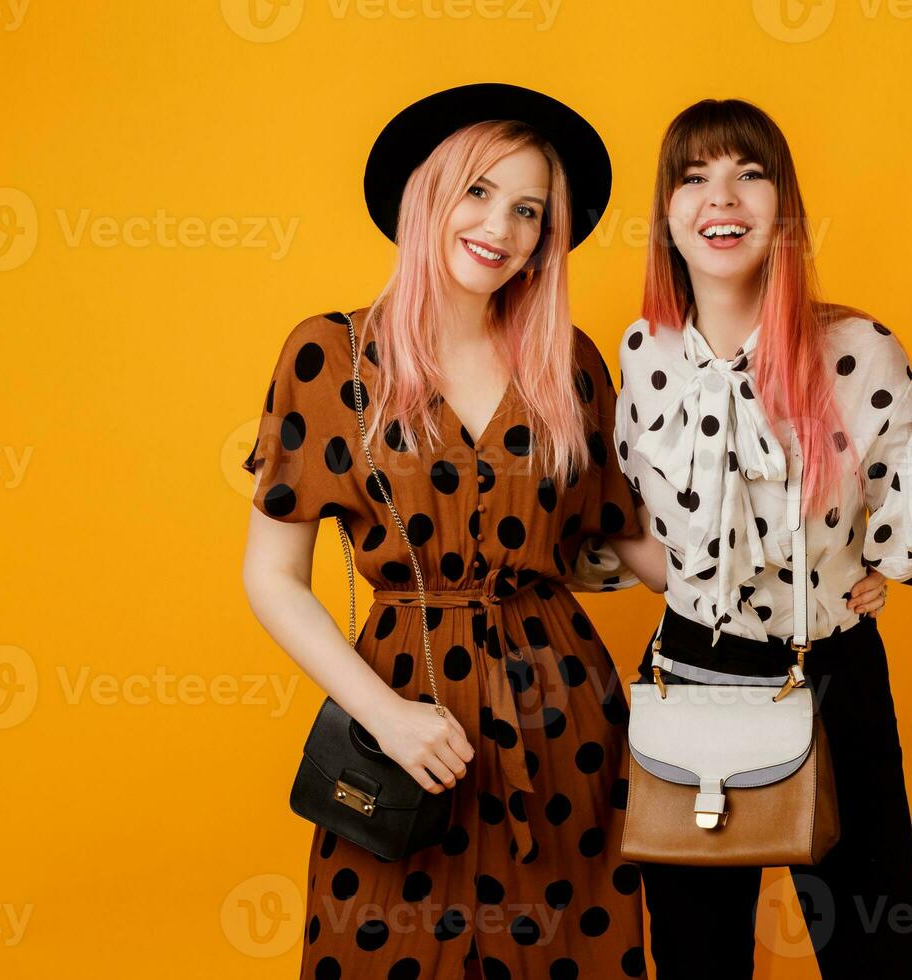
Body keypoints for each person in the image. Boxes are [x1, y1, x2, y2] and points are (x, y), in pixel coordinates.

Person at [608, 98, 912, 979]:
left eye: (748, 174)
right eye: (694, 178)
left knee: (874, 951)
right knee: (695, 959)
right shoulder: (645, 352)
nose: (721, 198)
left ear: (783, 207)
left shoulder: (857, 350)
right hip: (691, 669)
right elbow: (650, 531)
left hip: (833, 672)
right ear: (668, 215)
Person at [241, 83, 647, 980]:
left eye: (528, 209)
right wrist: (384, 717)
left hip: (563, 728)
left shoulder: (569, 362)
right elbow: (272, 576)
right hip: (397, 719)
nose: (499, 226)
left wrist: (814, 570)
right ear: (427, 193)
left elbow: (624, 543)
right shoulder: (329, 353)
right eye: (477, 191)